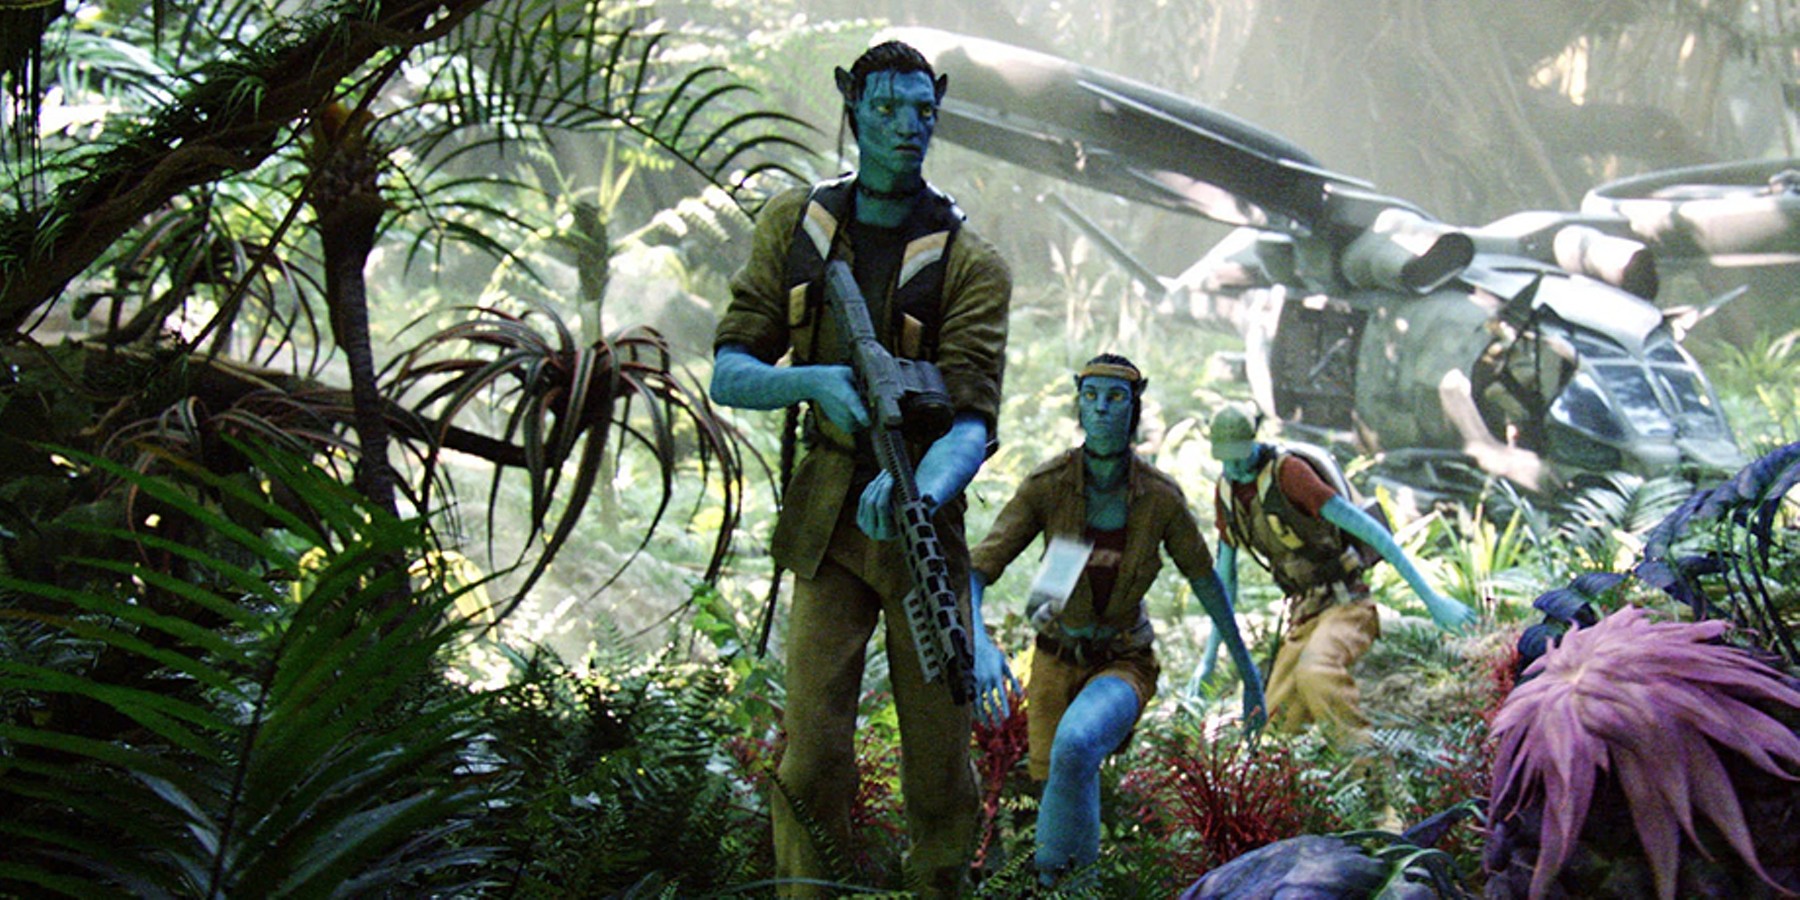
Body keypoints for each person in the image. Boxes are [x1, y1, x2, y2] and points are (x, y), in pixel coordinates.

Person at [709, 39, 1011, 898]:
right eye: (885, 108)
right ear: (852, 106)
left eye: (923, 110)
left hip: (919, 521)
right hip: (829, 520)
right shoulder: (796, 228)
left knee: (939, 768)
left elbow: (973, 424)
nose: (907, 126)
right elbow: (730, 371)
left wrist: (920, 489)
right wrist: (810, 383)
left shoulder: (969, 262)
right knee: (811, 758)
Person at [966, 354, 1266, 883]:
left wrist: (1249, 675)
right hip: (1054, 659)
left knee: (1077, 743)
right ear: (1079, 405)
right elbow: (977, 570)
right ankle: (1072, 887)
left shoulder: (1160, 498)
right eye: (1091, 396)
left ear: (1134, 407)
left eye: (1116, 397)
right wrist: (981, 645)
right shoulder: (1048, 484)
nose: (1102, 408)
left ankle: (1057, 887)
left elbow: (1206, 582)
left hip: (1123, 660)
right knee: (1061, 776)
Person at [1202, 404, 1475, 743]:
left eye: (1239, 455)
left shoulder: (1289, 474)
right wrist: (1208, 662)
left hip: (1347, 604)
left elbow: (1373, 533)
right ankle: (1304, 775)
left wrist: (1433, 601)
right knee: (1273, 719)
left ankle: (1369, 767)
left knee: (1317, 671)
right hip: (1304, 615)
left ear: (1253, 441)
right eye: (1225, 459)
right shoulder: (1227, 493)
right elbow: (1224, 582)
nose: (1233, 466)